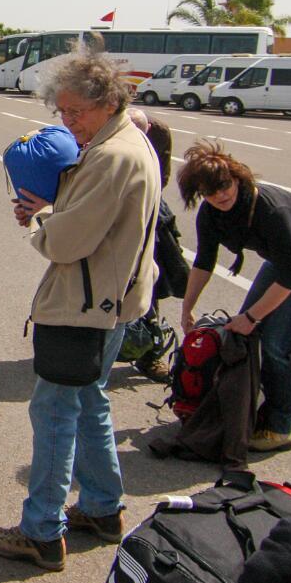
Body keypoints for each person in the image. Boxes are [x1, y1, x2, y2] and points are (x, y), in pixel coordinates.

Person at [0, 40, 160, 573]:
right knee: (89, 402)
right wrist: (57, 208)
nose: (67, 122)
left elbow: (66, 243)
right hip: (112, 300)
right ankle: (103, 508)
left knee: (55, 413)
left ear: (108, 101)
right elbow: (97, 218)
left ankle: (41, 531)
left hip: (86, 305)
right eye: (61, 111)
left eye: (76, 112)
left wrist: (41, 219)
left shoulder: (110, 155)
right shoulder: (128, 141)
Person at [177, 141, 291, 453]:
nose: (220, 196)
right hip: (283, 261)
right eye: (210, 192)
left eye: (225, 186)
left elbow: (289, 278)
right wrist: (187, 308)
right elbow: (204, 261)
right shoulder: (211, 213)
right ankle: (247, 409)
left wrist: (251, 316)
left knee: (276, 342)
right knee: (244, 336)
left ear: (236, 177)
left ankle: (281, 427)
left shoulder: (271, 210)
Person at [126, 107, 180, 384]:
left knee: (147, 285)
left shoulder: (158, 131)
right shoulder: (99, 124)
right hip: (108, 212)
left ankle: (150, 352)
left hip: (147, 212)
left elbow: (162, 176)